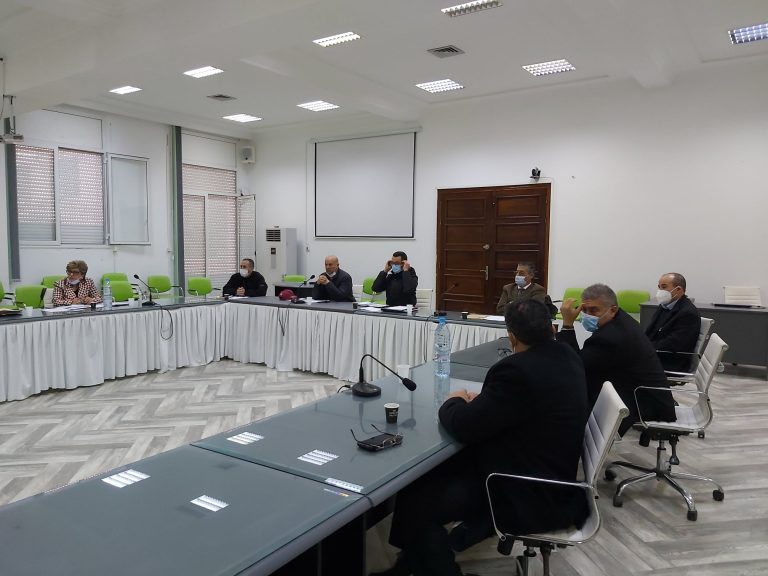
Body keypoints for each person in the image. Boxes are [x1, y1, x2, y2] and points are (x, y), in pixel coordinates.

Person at [372, 300, 589, 576]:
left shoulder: (516, 371)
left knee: (417, 503)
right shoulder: (568, 355)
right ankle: (411, 563)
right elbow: (521, 407)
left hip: (524, 488)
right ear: (552, 328)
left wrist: (453, 400)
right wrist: (487, 404)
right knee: (422, 481)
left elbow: (463, 426)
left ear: (511, 336)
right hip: (552, 474)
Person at [558, 283, 675, 435]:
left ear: (612, 310)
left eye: (594, 310)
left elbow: (575, 367)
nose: (587, 315)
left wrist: (567, 325)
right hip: (648, 395)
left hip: (644, 403)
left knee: (565, 399)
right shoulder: (621, 319)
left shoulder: (610, 337)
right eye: (584, 310)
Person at [645, 273, 701, 372]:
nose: (660, 291)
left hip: (671, 362)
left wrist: (645, 348)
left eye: (664, 287)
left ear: (678, 289)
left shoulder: (688, 313)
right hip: (656, 354)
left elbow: (674, 344)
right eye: (659, 287)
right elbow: (651, 331)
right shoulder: (664, 306)